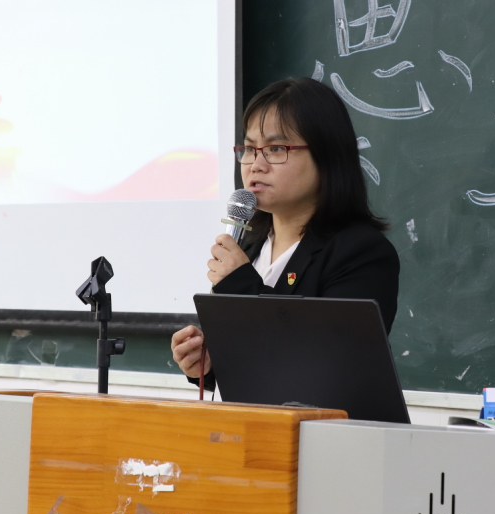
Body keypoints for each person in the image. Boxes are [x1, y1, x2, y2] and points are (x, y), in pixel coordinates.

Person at [170, 77, 400, 391]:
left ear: (327, 155)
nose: (255, 165)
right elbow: (258, 360)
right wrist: (210, 364)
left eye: (275, 149)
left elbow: (328, 367)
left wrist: (240, 285)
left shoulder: (361, 253)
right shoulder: (249, 246)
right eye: (249, 149)